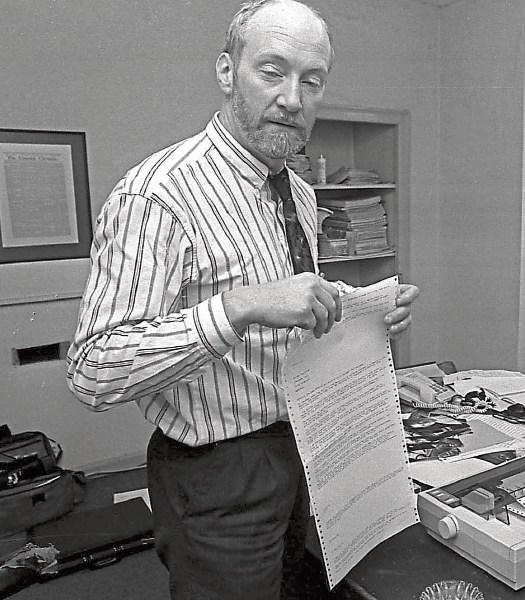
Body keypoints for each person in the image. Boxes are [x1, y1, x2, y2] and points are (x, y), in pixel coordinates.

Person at [65, 1, 419, 598]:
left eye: (312, 81)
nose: (292, 99)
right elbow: (93, 370)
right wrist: (237, 308)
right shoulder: (156, 196)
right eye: (272, 71)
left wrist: (361, 309)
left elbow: (291, 299)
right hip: (218, 473)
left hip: (307, 442)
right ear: (228, 72)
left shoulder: (298, 192)